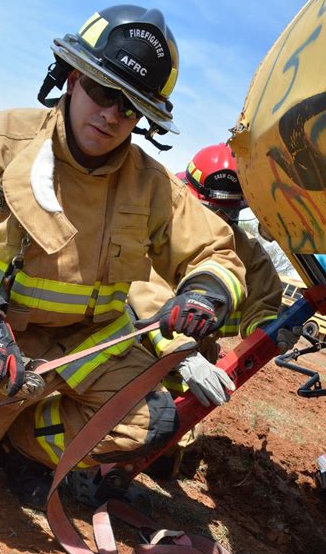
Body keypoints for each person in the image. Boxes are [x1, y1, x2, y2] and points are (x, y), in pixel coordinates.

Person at [0, 5, 247, 510]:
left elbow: (217, 251)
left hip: (84, 348)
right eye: (102, 91)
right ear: (73, 78)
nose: (111, 114)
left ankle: (22, 446)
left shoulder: (152, 186)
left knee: (149, 421)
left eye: (130, 106)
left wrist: (205, 292)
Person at [126, 143, 301, 476]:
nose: (222, 225)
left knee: (165, 456)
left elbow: (263, 302)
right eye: (213, 213)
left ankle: (160, 452)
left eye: (231, 215)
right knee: (125, 425)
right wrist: (182, 353)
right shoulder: (157, 223)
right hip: (139, 345)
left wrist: (272, 331)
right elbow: (139, 286)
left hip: (195, 359)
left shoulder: (247, 253)